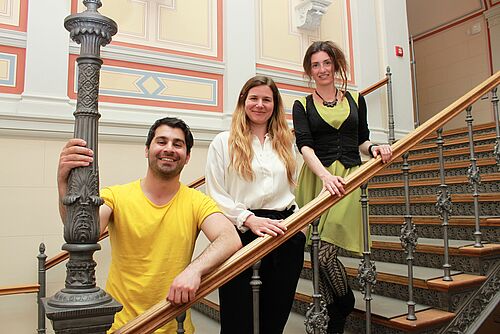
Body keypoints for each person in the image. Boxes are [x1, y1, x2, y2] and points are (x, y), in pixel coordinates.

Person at [57, 117, 242, 333]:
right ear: (147, 149)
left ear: (187, 156)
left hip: (175, 324)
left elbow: (230, 238)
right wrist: (63, 183)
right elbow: (84, 231)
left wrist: (194, 271)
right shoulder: (116, 196)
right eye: (161, 141)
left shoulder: (196, 201)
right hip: (122, 326)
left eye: (177, 144)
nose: (169, 149)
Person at [292, 41, 392, 334]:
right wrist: (324, 177)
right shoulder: (302, 104)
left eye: (326, 63)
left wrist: (376, 147)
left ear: (336, 65)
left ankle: (344, 302)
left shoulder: (356, 99)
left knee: (324, 252)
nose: (322, 70)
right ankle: (337, 314)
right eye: (315, 65)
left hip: (350, 180)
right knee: (316, 249)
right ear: (309, 71)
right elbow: (305, 146)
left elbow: (362, 138)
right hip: (319, 179)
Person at [205, 75, 306, 334]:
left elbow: (289, 191)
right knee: (238, 317)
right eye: (254, 98)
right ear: (243, 101)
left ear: (275, 105)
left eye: (267, 100)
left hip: (283, 232)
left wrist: (298, 225)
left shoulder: (285, 143)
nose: (260, 105)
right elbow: (216, 193)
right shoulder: (223, 142)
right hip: (240, 233)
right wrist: (249, 219)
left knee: (276, 313)